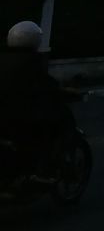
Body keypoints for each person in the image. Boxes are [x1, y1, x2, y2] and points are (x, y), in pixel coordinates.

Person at [0, 21, 73, 177]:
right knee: (52, 124)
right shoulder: (32, 61)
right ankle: (41, 170)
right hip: (18, 117)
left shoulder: (4, 58)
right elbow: (47, 85)